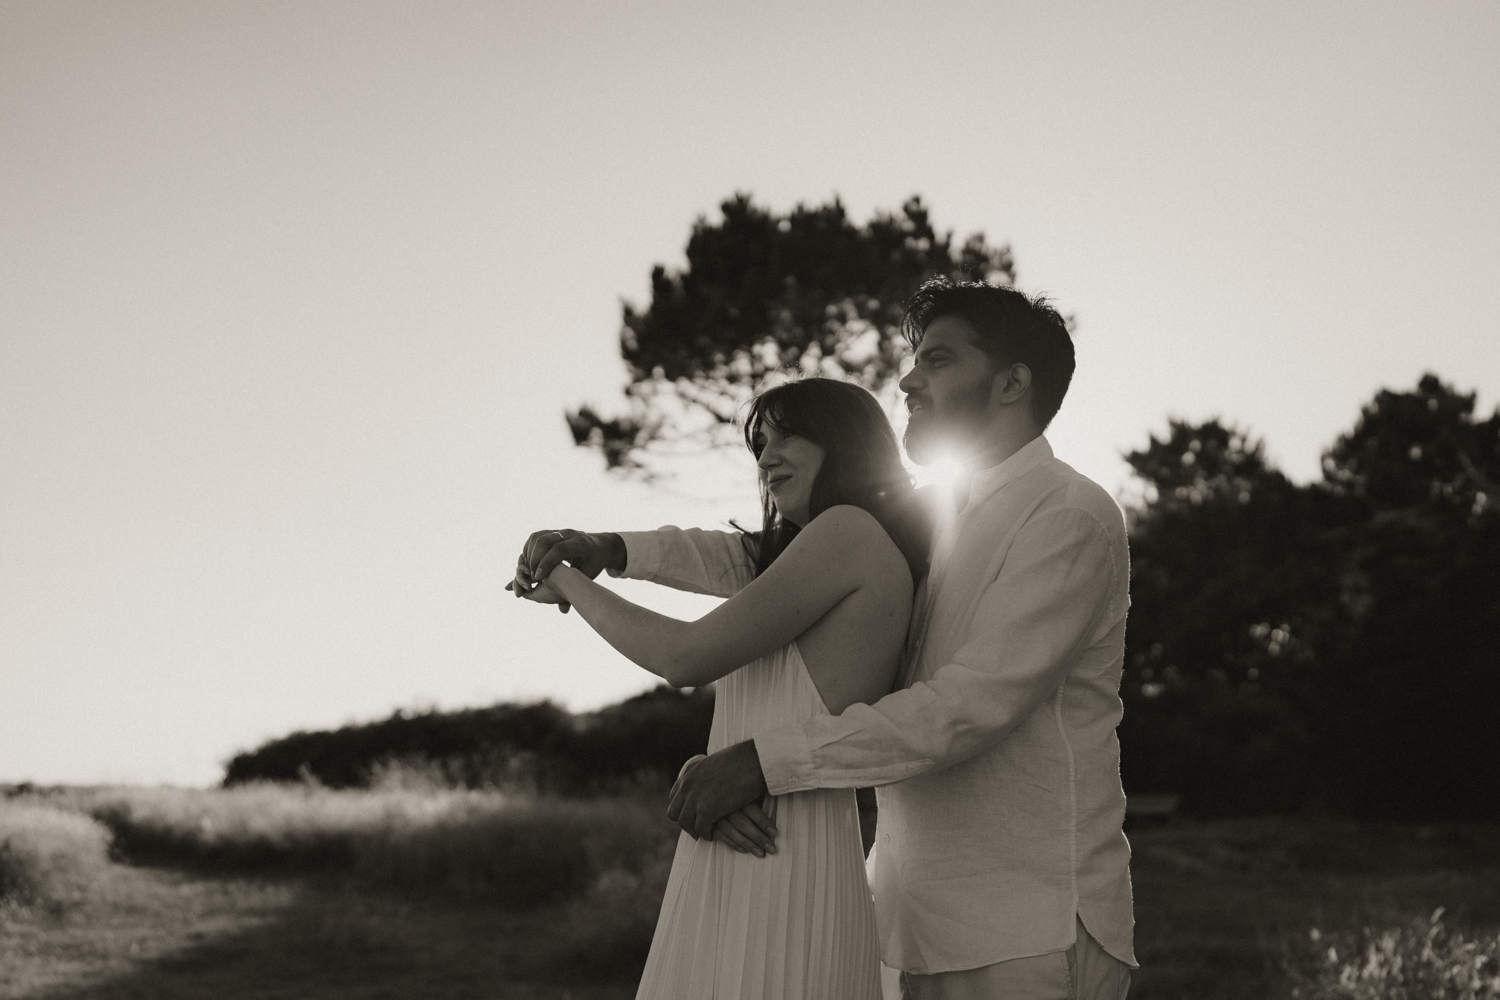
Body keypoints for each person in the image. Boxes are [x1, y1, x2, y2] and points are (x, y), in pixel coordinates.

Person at [536, 278, 1138, 999]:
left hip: (1028, 928)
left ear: (1011, 383)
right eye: (912, 359)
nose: (909, 379)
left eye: (939, 360)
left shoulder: (1068, 516)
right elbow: (773, 564)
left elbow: (968, 707)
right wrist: (615, 548)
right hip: (903, 917)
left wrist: (765, 764)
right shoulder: (928, 512)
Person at [511, 377, 930, 1000]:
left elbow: (684, 657)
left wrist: (568, 581)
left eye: (788, 435)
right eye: (760, 443)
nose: (767, 457)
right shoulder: (828, 546)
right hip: (756, 832)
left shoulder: (848, 533)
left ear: (845, 440)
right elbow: (713, 555)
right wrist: (607, 547)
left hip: (777, 854)